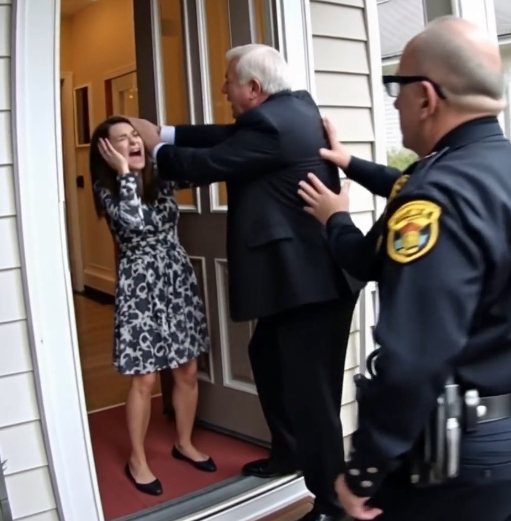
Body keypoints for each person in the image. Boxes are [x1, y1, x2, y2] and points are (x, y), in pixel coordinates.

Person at [129, 44, 358, 521]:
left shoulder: (271, 125)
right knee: (267, 356)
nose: (222, 88)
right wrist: (165, 131)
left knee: (312, 398)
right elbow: (228, 135)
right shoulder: (291, 108)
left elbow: (208, 164)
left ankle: (332, 504)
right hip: (303, 277)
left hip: (312, 285)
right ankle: (289, 453)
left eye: (229, 81)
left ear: (253, 88)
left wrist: (156, 150)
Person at [299, 15, 511, 521]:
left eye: (396, 87)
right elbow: (407, 181)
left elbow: (413, 361)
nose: (393, 103)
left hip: (457, 458)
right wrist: (351, 164)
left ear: (427, 97)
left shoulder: (434, 199)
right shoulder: (490, 171)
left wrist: (363, 473)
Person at [89, 116, 216, 497]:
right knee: (144, 377)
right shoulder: (107, 187)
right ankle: (137, 460)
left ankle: (184, 442)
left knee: (186, 368)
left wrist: (165, 143)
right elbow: (134, 222)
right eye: (122, 139)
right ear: (106, 151)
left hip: (176, 278)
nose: (133, 143)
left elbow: (201, 169)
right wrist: (124, 172)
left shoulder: (161, 176)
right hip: (139, 286)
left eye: (135, 136)